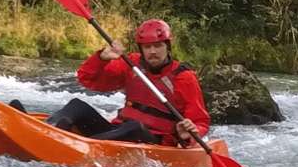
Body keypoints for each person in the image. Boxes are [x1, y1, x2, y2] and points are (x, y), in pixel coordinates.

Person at [13, 19, 210, 146]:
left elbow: (200, 121)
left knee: (135, 126)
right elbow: (88, 79)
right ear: (141, 49)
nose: (153, 52)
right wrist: (102, 58)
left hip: (153, 140)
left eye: (158, 46)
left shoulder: (184, 78)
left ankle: (77, 145)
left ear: (167, 46)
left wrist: (189, 132)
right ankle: (44, 131)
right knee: (76, 106)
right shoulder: (131, 65)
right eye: (147, 47)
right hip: (117, 132)